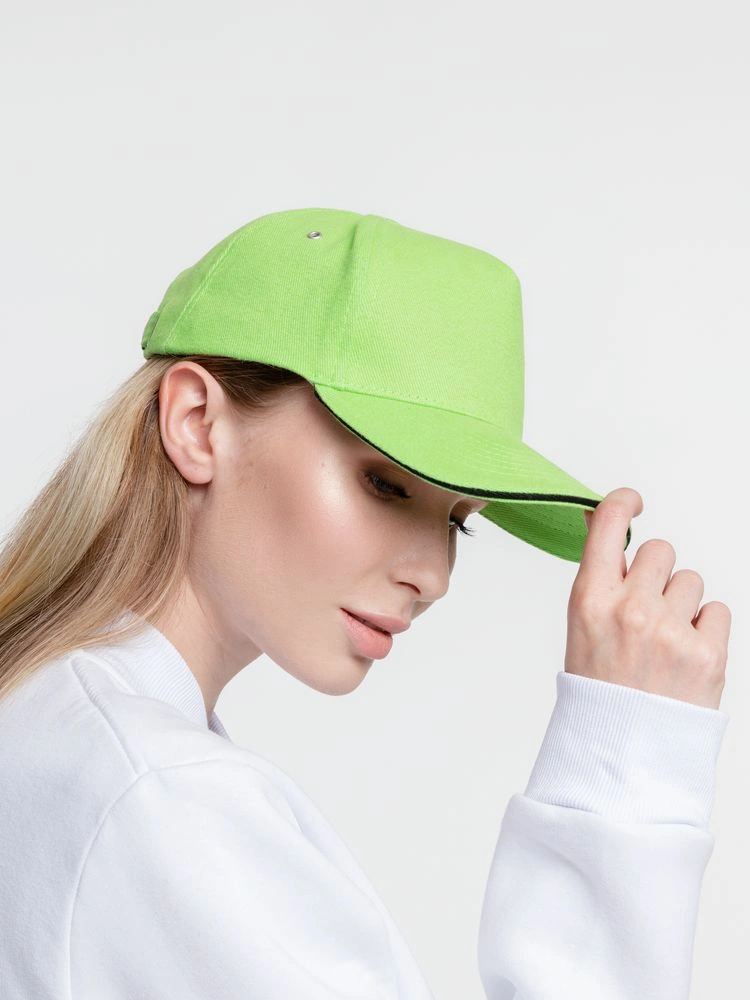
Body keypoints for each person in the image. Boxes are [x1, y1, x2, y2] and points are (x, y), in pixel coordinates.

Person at [0, 207, 731, 999]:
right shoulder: (162, 795)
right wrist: (624, 770)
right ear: (197, 423)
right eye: (383, 483)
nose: (435, 576)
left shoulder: (53, 726)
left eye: (459, 522)